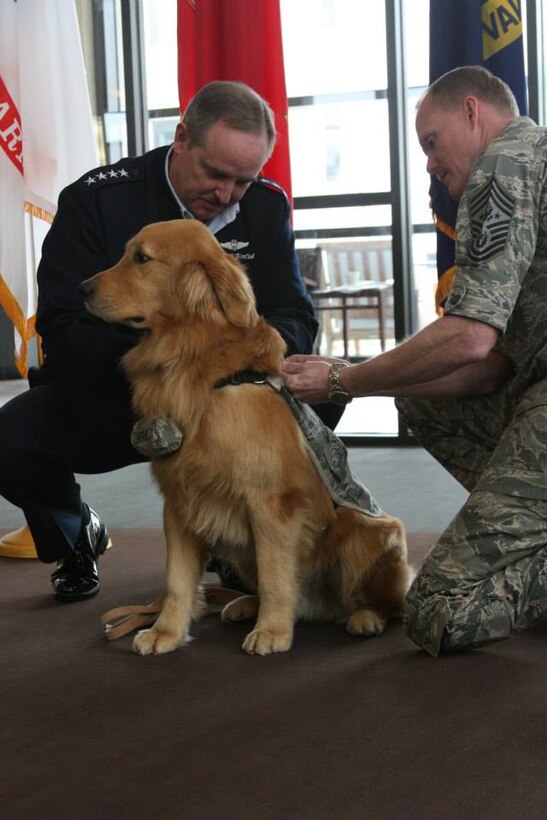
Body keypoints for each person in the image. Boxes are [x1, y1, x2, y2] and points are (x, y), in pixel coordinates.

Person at [0, 80, 342, 602]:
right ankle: (75, 535)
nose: (226, 194)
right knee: (12, 440)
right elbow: (64, 328)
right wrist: (168, 368)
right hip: (117, 395)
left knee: (323, 393)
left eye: (242, 182)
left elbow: (293, 314)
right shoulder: (96, 201)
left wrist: (236, 365)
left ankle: (244, 546)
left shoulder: (267, 208)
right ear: (181, 138)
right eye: (214, 173)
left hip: (226, 398)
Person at [283, 65, 547, 656]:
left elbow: (469, 339)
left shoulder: (500, 168)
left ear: (474, 112)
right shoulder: (536, 156)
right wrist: (366, 381)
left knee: (437, 610)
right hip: (534, 388)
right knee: (421, 395)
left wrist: (342, 380)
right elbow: (493, 365)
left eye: (432, 141)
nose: (428, 162)